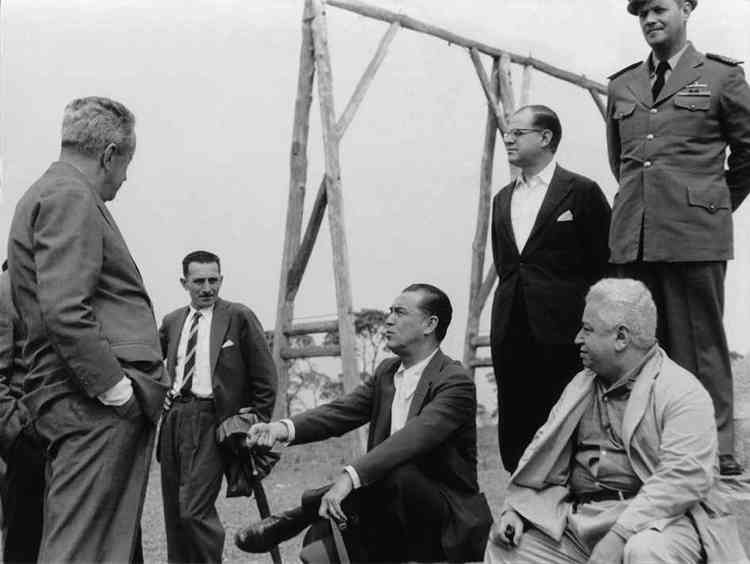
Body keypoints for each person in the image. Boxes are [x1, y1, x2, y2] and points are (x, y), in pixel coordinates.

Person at [6, 96, 170, 563]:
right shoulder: (71, 196)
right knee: (80, 549)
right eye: (125, 165)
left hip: (79, 398)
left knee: (99, 546)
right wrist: (115, 390)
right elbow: (64, 310)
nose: (123, 178)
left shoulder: (47, 193)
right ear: (109, 154)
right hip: (91, 401)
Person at [485, 278, 747, 564]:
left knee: (645, 551)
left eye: (587, 330)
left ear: (621, 337)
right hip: (580, 523)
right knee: (509, 549)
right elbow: (544, 459)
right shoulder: (580, 386)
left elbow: (683, 478)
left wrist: (619, 535)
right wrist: (517, 510)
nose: (577, 339)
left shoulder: (681, 390)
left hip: (660, 522)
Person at [237, 284, 492, 563]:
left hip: (441, 515)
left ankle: (293, 519)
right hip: (381, 502)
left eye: (400, 312)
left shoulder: (455, 382)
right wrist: (280, 428)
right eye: (389, 311)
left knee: (398, 471)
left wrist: (350, 477)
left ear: (430, 324)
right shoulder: (387, 372)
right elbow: (340, 412)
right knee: (318, 548)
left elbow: (414, 438)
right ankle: (304, 520)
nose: (389, 319)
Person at [606, 0, 750, 475]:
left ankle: (718, 451)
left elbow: (747, 155)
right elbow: (622, 163)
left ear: (687, 9)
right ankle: (653, 451)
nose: (650, 19)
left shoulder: (722, 77)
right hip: (635, 235)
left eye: (660, 8)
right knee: (641, 348)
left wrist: (710, 203)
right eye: (642, 12)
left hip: (695, 236)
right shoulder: (622, 84)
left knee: (700, 347)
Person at [490, 104, 611, 473]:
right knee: (519, 425)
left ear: (545, 138)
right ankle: (522, 499)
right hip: (512, 331)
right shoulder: (502, 200)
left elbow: (603, 267)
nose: (507, 139)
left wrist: (592, 327)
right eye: (507, 133)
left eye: (517, 132)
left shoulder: (581, 192)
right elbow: (509, 267)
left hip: (566, 334)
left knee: (571, 420)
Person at [158, 250, 277, 563]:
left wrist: (256, 423)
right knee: (174, 513)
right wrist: (161, 394)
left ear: (221, 279)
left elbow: (265, 376)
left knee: (193, 511)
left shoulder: (238, 316)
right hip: (174, 420)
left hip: (215, 421)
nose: (207, 287)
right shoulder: (172, 321)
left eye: (214, 280)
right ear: (184, 282)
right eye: (199, 281)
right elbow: (151, 364)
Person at [0, 260, 44, 563]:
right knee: (25, 540)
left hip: (80, 434)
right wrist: (15, 431)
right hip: (30, 438)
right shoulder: (6, 289)